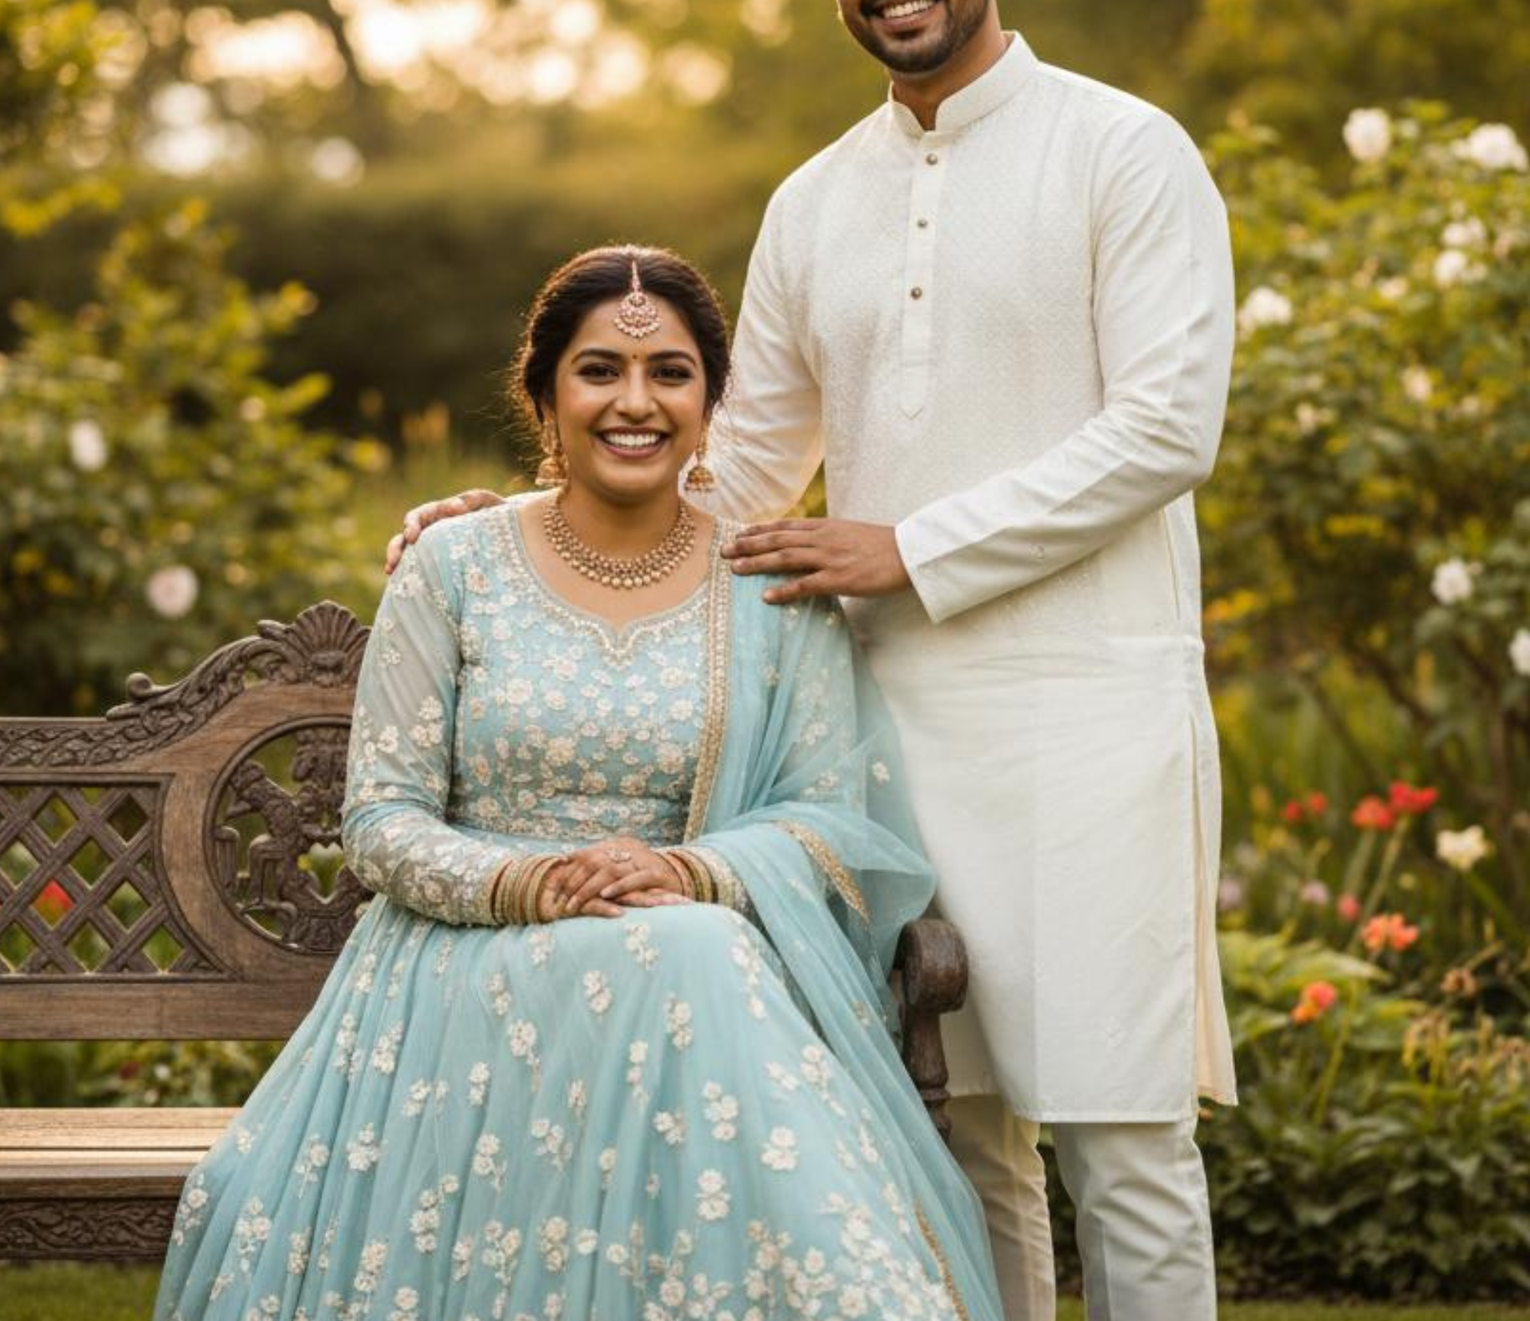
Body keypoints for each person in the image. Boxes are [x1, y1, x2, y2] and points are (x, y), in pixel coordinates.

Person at [394, 0, 1238, 1321]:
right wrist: (525, 520)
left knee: (1120, 1133)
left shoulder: (1121, 151)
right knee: (956, 1127)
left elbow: (1167, 430)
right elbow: (733, 474)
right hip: (878, 733)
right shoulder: (816, 200)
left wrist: (910, 545)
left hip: (1087, 718)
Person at [155, 246, 1005, 1321]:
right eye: (600, 370)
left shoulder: (768, 589)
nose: (635, 402)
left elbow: (829, 818)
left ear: (710, 404)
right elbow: (379, 817)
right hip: (468, 960)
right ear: (544, 395)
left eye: (671, 373)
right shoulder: (454, 566)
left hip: (697, 967)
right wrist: (532, 883)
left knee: (691, 946)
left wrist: (685, 872)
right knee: (695, 954)